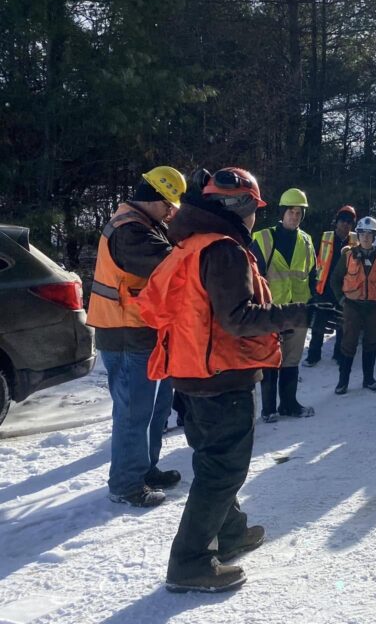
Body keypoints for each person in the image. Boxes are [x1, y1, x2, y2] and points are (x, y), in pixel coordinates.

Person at [138, 167, 309, 593]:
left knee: (213, 462)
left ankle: (230, 533)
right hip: (219, 378)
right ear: (243, 207)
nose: (256, 217)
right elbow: (238, 318)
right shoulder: (225, 250)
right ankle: (189, 562)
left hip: (192, 375)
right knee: (223, 470)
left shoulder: (191, 245)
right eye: (255, 208)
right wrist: (296, 314)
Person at [87, 165, 185, 508]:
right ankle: (126, 484)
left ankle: (145, 469)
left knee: (155, 409)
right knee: (133, 414)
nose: (172, 212)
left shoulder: (145, 224)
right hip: (125, 333)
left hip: (143, 332)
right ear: (154, 198)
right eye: (169, 204)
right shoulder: (131, 231)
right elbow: (170, 267)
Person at [252, 188, 317, 422]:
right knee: (270, 359)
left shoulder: (307, 241)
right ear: (282, 212)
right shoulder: (262, 239)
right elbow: (252, 277)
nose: (295, 216)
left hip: (298, 311)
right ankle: (269, 409)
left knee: (291, 360)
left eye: (299, 213)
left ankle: (289, 404)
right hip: (272, 312)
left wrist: (314, 304)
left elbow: (312, 275)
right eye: (291, 211)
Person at [331, 216, 376, 394]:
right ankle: (343, 381)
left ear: (374, 236)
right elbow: (335, 279)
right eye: (362, 234)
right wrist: (342, 300)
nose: (365, 237)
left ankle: (369, 379)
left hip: (374, 306)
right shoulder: (348, 255)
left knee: (371, 342)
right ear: (357, 235)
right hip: (352, 305)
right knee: (348, 343)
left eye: (369, 234)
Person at [305, 205, 357, 366]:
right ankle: (313, 355)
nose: (345, 224)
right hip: (325, 288)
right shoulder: (325, 237)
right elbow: (314, 261)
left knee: (343, 324)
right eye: (343, 220)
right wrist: (313, 284)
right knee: (319, 323)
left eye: (349, 222)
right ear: (337, 221)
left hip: (345, 289)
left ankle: (339, 355)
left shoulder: (355, 241)